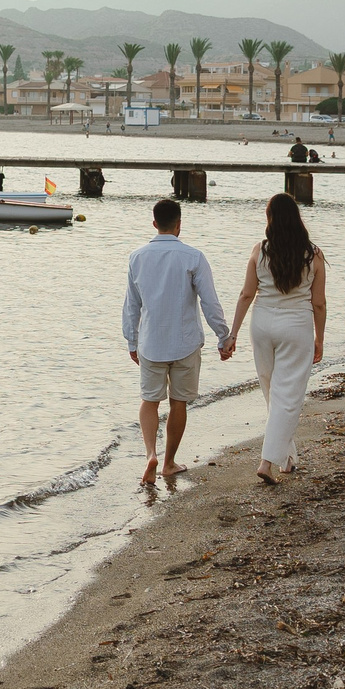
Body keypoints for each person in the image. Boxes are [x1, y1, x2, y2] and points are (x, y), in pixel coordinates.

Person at [122, 197, 229, 483]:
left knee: (149, 401)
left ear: (154, 223)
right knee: (178, 402)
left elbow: (131, 305)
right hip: (185, 343)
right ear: (179, 225)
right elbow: (209, 302)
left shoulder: (137, 257)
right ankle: (168, 462)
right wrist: (223, 336)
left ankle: (150, 455)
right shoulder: (193, 257)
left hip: (151, 342)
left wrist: (131, 340)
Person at [224, 193, 327, 484]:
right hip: (296, 325)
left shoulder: (260, 250)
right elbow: (319, 303)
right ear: (297, 218)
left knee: (273, 392)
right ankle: (266, 461)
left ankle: (287, 458)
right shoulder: (313, 254)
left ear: (270, 219)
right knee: (287, 397)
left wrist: (233, 334)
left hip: (262, 324)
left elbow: (246, 294)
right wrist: (320, 338)